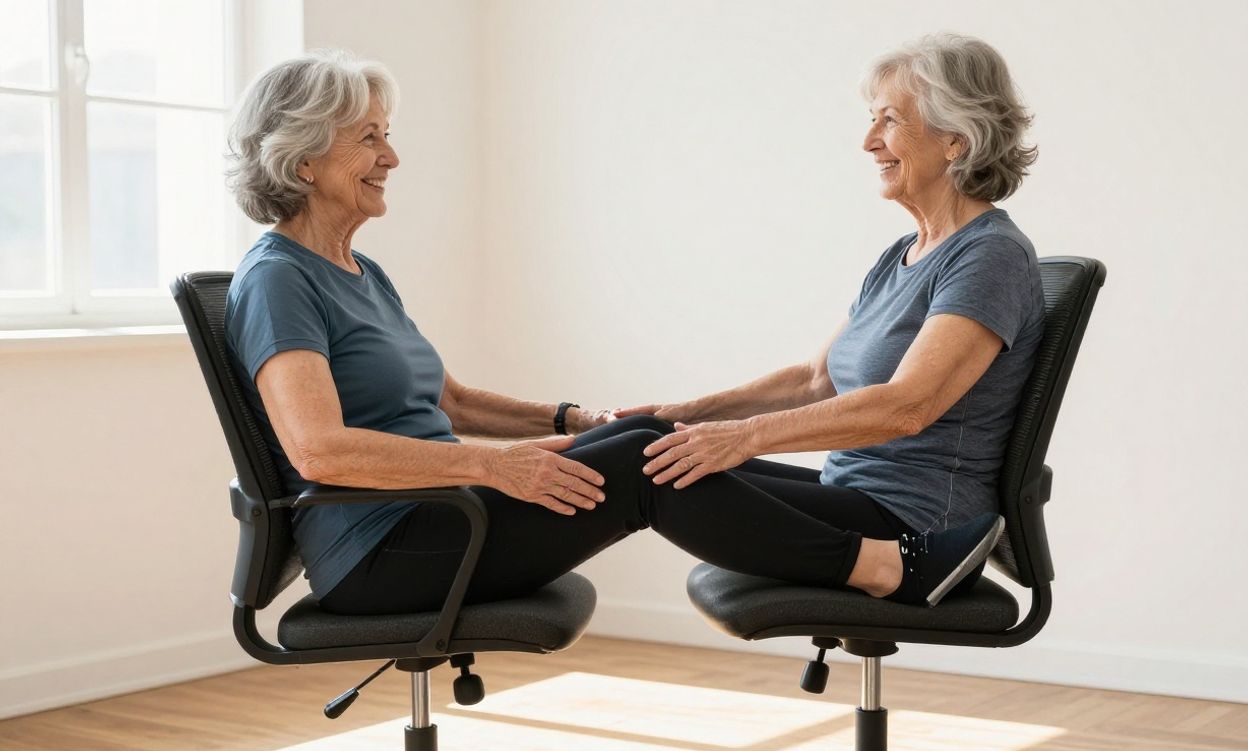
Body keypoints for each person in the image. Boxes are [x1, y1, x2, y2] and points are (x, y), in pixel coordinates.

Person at [222, 33, 1038, 618]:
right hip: (388, 549)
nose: (392, 157)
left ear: (955, 137)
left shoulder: (358, 274)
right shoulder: (279, 279)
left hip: (443, 515)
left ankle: (887, 560)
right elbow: (318, 451)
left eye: (888, 120)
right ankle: (882, 567)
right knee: (653, 460)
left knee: (651, 447)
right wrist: (498, 467)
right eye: (370, 139)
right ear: (304, 158)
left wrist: (589, 422)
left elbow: (453, 401)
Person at [614, 32, 1044, 606]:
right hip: (853, 494)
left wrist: (744, 438)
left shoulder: (990, 255)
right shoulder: (903, 254)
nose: (869, 142)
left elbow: (907, 407)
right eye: (872, 120)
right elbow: (814, 380)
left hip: (915, 527)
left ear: (956, 141)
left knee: (642, 471)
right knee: (647, 441)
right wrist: (683, 415)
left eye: (890, 120)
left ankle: (496, 588)